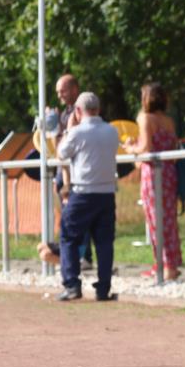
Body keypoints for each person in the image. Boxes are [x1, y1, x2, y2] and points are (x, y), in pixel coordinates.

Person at [55, 92, 120, 302]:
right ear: (98, 109)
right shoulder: (112, 131)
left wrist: (69, 128)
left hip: (82, 193)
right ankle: (103, 289)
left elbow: (61, 153)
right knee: (104, 242)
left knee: (68, 236)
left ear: (78, 111)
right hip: (107, 193)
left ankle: (72, 284)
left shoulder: (76, 133)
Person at [122, 83, 182, 281]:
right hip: (169, 173)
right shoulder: (168, 121)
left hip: (153, 174)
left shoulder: (145, 118)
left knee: (155, 220)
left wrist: (130, 148)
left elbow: (146, 147)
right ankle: (170, 263)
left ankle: (164, 266)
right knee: (169, 220)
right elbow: (171, 147)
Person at [37, 73, 93, 271]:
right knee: (69, 216)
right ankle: (76, 254)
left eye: (63, 90)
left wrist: (55, 132)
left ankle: (80, 256)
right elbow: (59, 146)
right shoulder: (65, 113)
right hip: (64, 172)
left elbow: (67, 146)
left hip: (75, 173)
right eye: (57, 91)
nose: (59, 95)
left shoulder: (79, 114)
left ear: (74, 89)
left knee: (77, 216)